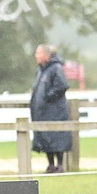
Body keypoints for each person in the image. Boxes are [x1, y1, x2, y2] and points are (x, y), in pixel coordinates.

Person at [30, 43, 73, 173]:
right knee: (45, 137)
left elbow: (62, 85)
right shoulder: (40, 70)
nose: (36, 56)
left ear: (47, 55)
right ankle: (51, 165)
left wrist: (48, 97)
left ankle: (60, 165)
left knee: (57, 136)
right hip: (42, 112)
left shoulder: (56, 68)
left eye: (39, 53)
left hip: (55, 111)